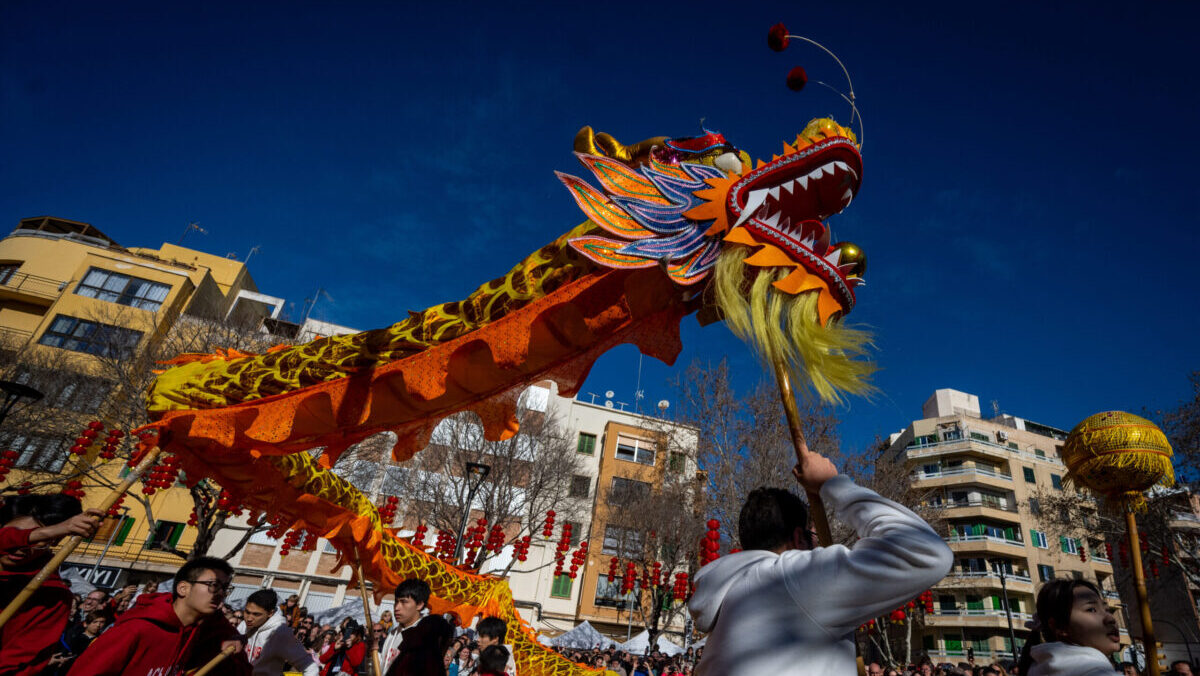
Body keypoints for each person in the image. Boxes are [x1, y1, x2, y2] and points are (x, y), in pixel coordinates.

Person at [687, 450, 953, 676]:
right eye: (812, 535)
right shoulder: (789, 578)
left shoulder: (730, 600)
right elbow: (926, 551)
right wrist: (833, 484)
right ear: (798, 537)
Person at [66, 556, 251, 675]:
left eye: (225, 588)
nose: (220, 592)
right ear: (183, 588)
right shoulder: (137, 628)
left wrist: (232, 639)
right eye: (213, 584)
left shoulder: (203, 631)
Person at [0, 493, 101, 676]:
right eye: (21, 536)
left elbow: (18, 662)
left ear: (53, 542)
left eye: (39, 541)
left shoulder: (52, 595)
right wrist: (42, 533)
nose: (22, 547)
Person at [1016, 579, 1120, 675]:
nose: (1111, 619)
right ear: (1060, 626)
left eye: (1107, 610)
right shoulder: (1094, 670)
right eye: (1091, 609)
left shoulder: (1040, 668)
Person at [241, 589, 319, 676]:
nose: (249, 618)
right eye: (247, 612)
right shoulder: (242, 625)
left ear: (270, 613)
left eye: (256, 614)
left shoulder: (280, 633)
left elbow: (310, 667)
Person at [384, 578, 453, 676]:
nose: (396, 608)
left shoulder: (426, 638)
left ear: (420, 604)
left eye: (404, 602)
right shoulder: (392, 633)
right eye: (396, 601)